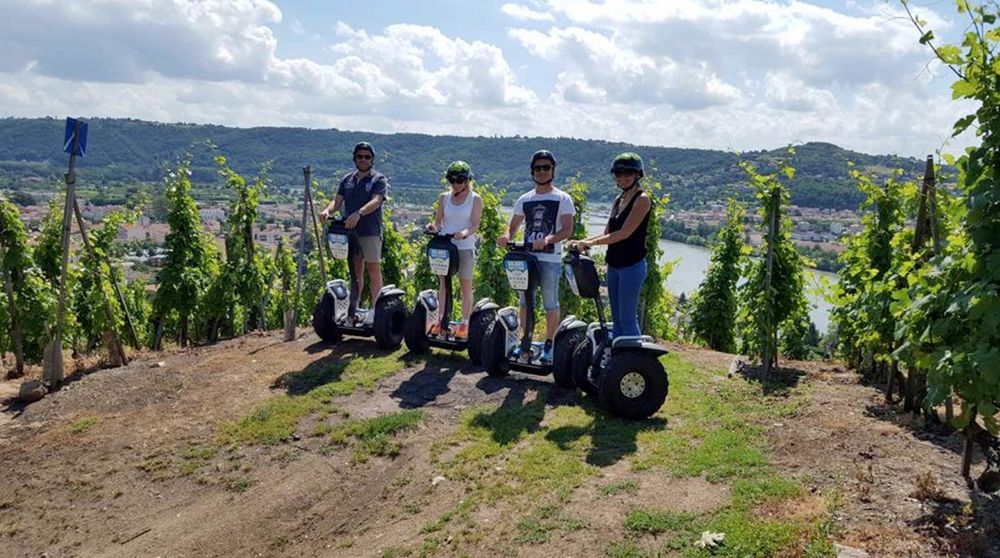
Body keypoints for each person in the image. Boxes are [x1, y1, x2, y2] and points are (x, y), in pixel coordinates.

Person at [498, 150, 576, 362]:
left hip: (550, 259)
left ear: (552, 170)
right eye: (538, 168)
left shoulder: (563, 198)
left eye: (546, 168)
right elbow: (513, 226)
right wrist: (506, 236)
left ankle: (549, 342)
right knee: (524, 302)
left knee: (550, 302)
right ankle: (525, 339)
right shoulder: (525, 199)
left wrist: (548, 240)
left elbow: (568, 230)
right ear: (532, 171)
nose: (542, 171)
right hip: (527, 259)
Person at [572, 152, 652, 339]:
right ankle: (616, 360)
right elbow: (607, 231)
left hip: (632, 266)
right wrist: (582, 241)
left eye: (627, 174)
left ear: (637, 175)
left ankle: (634, 361)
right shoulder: (618, 200)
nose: (622, 178)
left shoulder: (642, 199)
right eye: (618, 174)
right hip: (614, 264)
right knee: (616, 318)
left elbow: (624, 233)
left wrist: (590, 243)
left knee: (627, 318)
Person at [318, 141, 388, 321]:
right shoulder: (347, 180)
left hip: (370, 231)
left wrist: (359, 213)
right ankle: (354, 308)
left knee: (373, 269)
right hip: (350, 233)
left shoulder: (378, 179)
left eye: (367, 157)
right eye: (360, 156)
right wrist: (327, 210)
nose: (363, 160)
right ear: (354, 159)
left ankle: (376, 311)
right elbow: (337, 201)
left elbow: (377, 201)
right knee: (355, 271)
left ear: (372, 159)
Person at [426, 161, 482, 339]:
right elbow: (438, 222)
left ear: (467, 181)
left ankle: (464, 323)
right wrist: (432, 228)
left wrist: (464, 233)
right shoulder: (444, 197)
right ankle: (441, 320)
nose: (455, 184)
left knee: (465, 285)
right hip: (446, 246)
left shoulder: (475, 199)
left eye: (459, 180)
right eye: (452, 180)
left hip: (464, 246)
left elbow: (475, 224)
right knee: (443, 284)